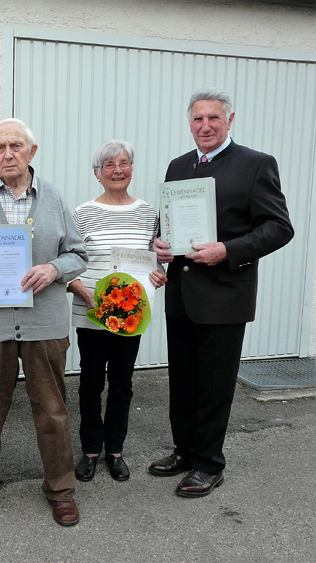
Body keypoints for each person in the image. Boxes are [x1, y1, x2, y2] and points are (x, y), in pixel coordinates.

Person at [150, 87, 293, 497]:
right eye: (198, 119)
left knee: (214, 384)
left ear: (229, 121)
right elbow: (168, 226)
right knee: (183, 379)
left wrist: (227, 250)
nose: (205, 126)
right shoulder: (178, 166)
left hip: (225, 294)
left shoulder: (255, 164)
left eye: (214, 118)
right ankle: (185, 450)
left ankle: (210, 464)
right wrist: (161, 245)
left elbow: (279, 227)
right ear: (189, 123)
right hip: (181, 294)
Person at [0, 118, 88, 526]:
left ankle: (61, 490)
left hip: (45, 323)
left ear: (32, 151)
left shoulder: (54, 198)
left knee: (52, 411)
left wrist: (53, 269)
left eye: (15, 146)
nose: (7, 154)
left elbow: (79, 254)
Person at [68, 140, 167, 483]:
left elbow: (159, 258)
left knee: (122, 383)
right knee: (91, 383)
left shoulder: (149, 213)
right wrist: (78, 288)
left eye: (123, 163)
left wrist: (159, 275)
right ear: (97, 173)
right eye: (109, 165)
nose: (117, 171)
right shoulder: (82, 213)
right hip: (91, 312)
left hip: (131, 316)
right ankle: (90, 450)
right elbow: (69, 262)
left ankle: (115, 451)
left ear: (132, 169)